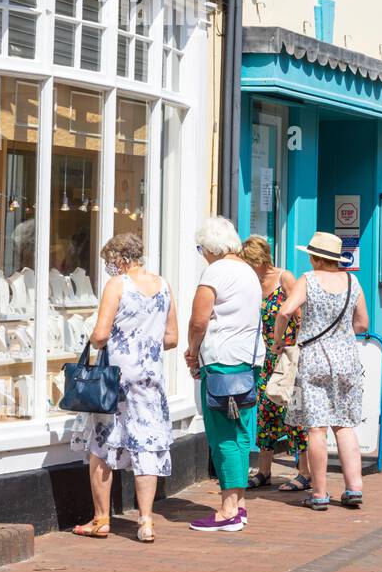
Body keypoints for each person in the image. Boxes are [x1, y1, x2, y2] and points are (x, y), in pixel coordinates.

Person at [71, 234, 177, 543]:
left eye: (110, 262)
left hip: (115, 378)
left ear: (120, 260)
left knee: (103, 445)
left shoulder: (118, 285)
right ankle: (145, 522)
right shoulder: (164, 285)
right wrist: (148, 342)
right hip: (149, 376)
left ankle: (101, 519)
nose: (110, 268)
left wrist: (93, 338)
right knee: (146, 445)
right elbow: (171, 338)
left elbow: (101, 334)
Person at [276, 232, 370, 510]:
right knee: (344, 425)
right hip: (346, 360)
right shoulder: (353, 282)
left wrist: (280, 341)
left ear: (316, 257)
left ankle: (319, 494)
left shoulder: (308, 279)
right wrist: (341, 337)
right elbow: (363, 324)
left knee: (316, 429)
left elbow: (285, 311)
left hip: (314, 358)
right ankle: (354, 488)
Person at [185, 217, 263, 532]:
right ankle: (239, 504)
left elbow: (199, 319)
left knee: (223, 436)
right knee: (242, 434)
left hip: (223, 362)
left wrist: (193, 352)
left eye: (201, 247)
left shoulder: (215, 271)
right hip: (247, 361)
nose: (201, 253)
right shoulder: (247, 270)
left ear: (211, 246)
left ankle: (228, 510)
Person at [240, 236, 308, 493]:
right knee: (266, 412)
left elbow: (299, 316)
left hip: (288, 355)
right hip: (264, 356)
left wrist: (292, 346)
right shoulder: (250, 282)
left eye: (250, 262)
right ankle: (264, 471)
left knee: (293, 412)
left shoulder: (284, 278)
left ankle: (304, 472)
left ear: (260, 259)